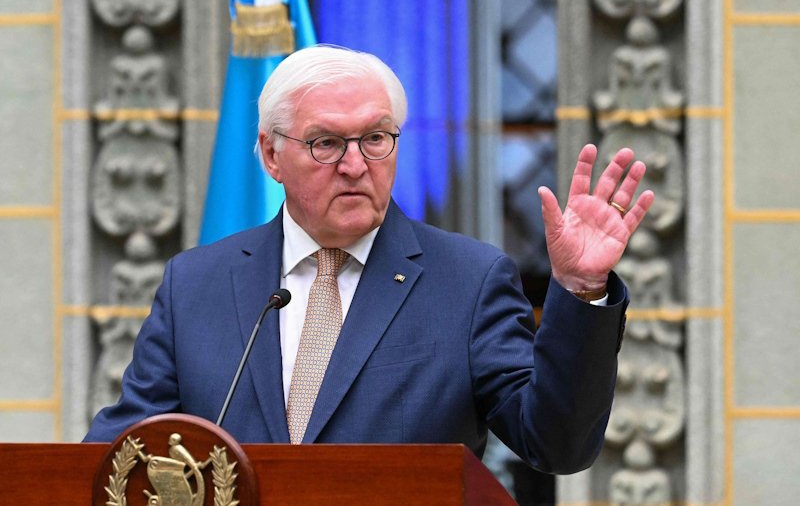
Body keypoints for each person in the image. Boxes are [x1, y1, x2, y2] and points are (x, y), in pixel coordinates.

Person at [85, 45, 654, 475]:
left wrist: (581, 288)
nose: (356, 165)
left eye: (376, 139)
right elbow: (119, 455)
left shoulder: (468, 281)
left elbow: (556, 443)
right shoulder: (196, 284)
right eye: (326, 143)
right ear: (271, 155)